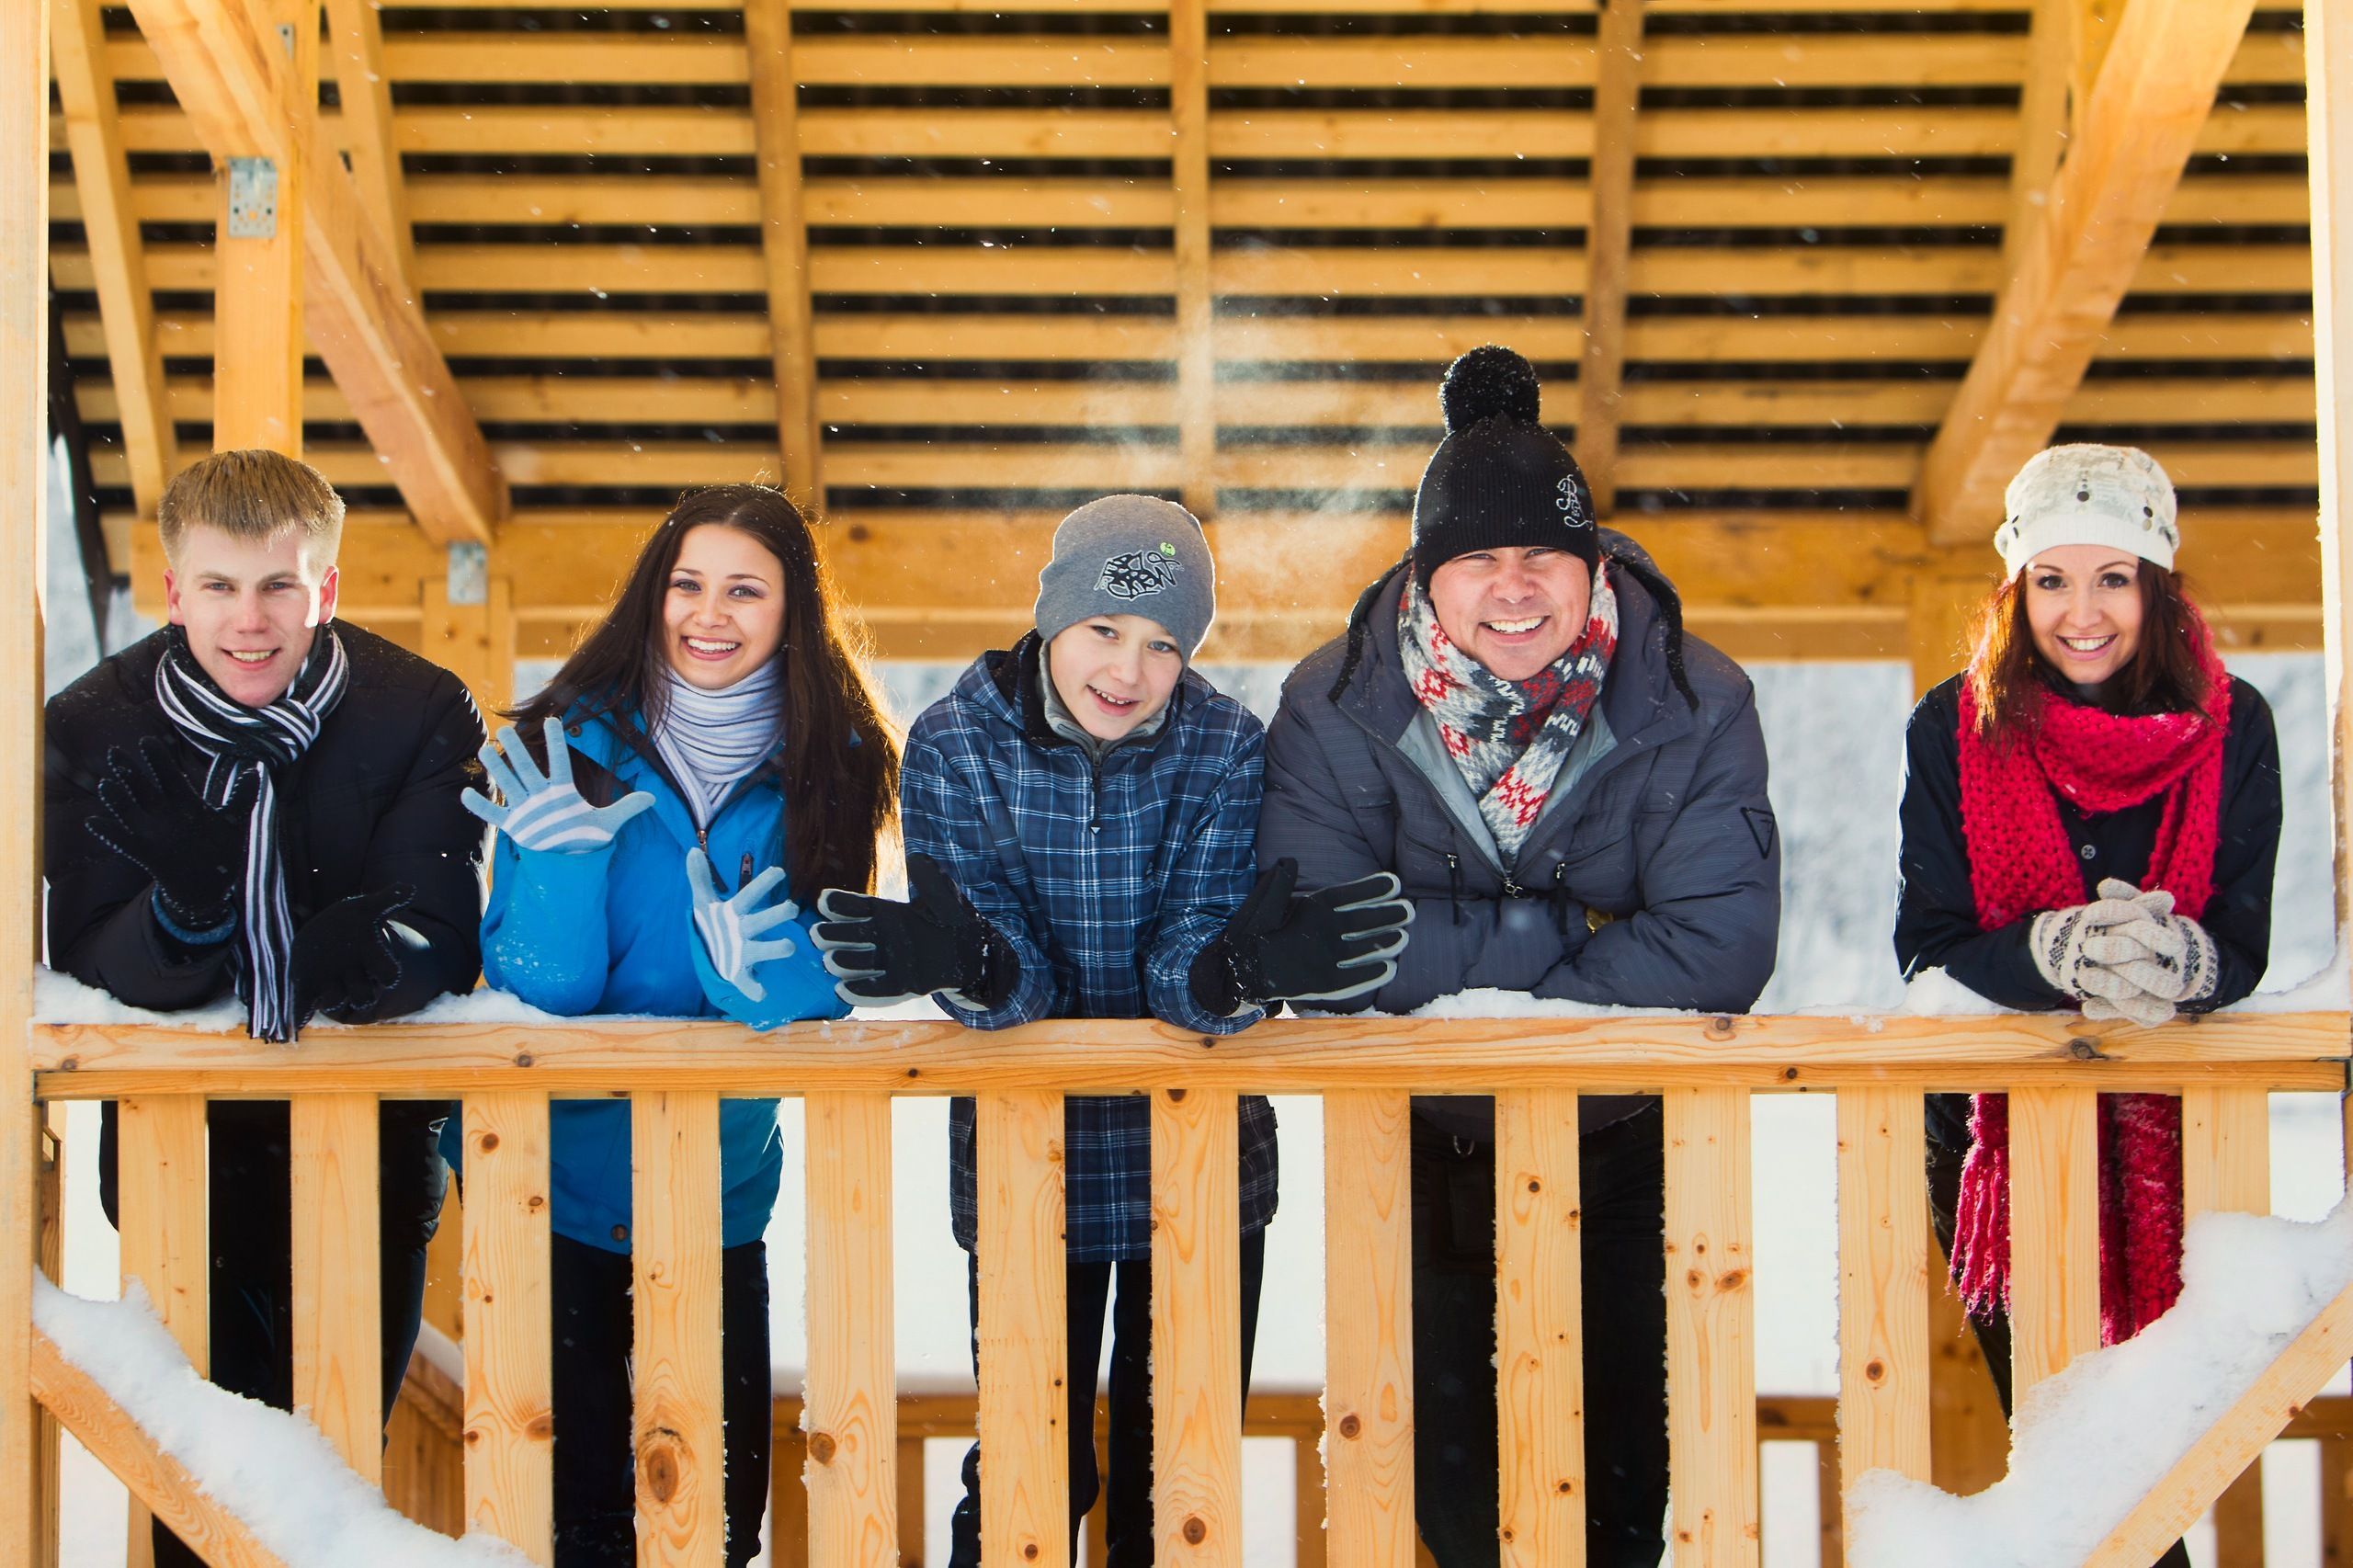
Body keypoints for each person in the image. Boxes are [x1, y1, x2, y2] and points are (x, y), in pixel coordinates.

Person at [811, 494, 1411, 1567]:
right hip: (1025, 1165)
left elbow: (1187, 955)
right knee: (1028, 1470)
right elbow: (1009, 971)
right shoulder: (956, 742)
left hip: (1201, 1168)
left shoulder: (1223, 744)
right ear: (1052, 615)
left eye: (1163, 644)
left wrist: (1237, 970)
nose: (1128, 669)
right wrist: (970, 960)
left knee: (1176, 1477)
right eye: (1103, 629)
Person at [1256, 346, 1781, 1568]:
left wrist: (1463, 971)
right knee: (1449, 1501)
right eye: (1477, 558)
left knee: (1623, 1500)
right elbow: (1317, 940)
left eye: (1543, 553)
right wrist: (1563, 935)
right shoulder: (1333, 704)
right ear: (1424, 576)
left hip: (1626, 1139)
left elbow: (1720, 939)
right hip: (1419, 1142)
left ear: (1590, 565)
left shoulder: (1694, 696)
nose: (1513, 586)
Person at [44, 449, 483, 1568]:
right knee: (199, 1495)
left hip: (370, 1151)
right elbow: (88, 955)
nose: (250, 620)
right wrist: (189, 913)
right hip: (177, 1157)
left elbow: (438, 934)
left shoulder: (415, 709)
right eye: (220, 586)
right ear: (173, 588)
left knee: (327, 1491)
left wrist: (348, 960)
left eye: (279, 585)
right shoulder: (94, 725)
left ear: (324, 589)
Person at [460, 483, 898, 1566]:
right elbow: (533, 992)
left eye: (745, 590)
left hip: (716, 1194)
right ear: (653, 595)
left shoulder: (837, 762)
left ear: (793, 611)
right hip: (547, 1192)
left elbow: (836, 970)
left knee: (714, 1517)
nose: (710, 612)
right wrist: (559, 875)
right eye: (687, 583)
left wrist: (754, 978)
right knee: (571, 1527)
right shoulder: (567, 745)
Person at [1896, 444, 2280, 1568]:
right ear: (2016, 589)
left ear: (2155, 585)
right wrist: (2055, 949)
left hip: (2180, 1131)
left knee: (2152, 1454)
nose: (2081, 612)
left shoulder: (2234, 723)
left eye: (2112, 577)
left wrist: (2179, 961)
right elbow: (1928, 945)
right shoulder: (1952, 724)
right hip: (1993, 1136)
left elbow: (2242, 945)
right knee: (2079, 1453)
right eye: (2051, 580)